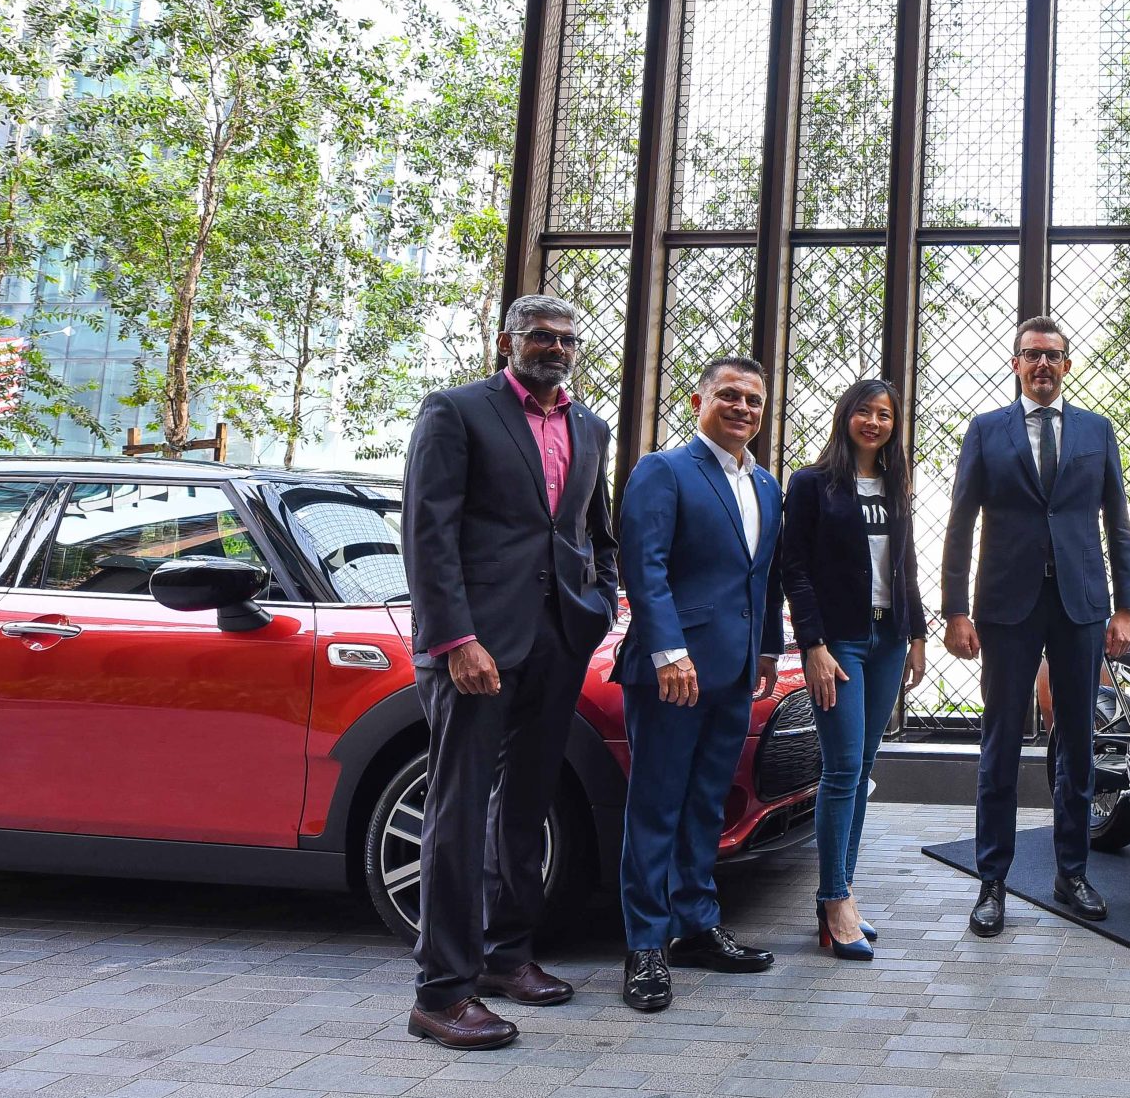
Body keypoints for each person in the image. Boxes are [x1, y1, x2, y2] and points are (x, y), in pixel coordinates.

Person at [398, 293, 617, 1050]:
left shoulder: (591, 427)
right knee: (458, 813)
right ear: (507, 341)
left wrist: (599, 604)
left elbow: (593, 530)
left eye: (568, 339)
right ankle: (440, 993)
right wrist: (456, 639)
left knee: (526, 803)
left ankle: (505, 955)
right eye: (542, 336)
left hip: (558, 641)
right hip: (476, 649)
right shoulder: (456, 411)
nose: (556, 348)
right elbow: (427, 532)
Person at [943, 315, 1130, 937]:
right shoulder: (986, 430)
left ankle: (1071, 873)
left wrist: (1126, 608)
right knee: (1001, 743)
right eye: (1032, 355)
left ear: (1067, 365)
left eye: (1053, 355)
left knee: (1078, 743)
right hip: (1006, 607)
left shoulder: (1096, 430)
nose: (1043, 365)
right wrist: (954, 610)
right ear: (1016, 364)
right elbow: (960, 523)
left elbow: (1118, 523)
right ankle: (992, 881)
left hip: (1080, 605)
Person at [610, 356, 785, 1013]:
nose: (743, 408)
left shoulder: (765, 484)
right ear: (698, 401)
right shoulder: (664, 470)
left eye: (754, 400)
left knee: (708, 804)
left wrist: (766, 648)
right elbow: (644, 565)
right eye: (729, 395)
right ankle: (645, 945)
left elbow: (761, 575)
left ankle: (695, 924)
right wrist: (669, 651)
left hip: (734, 671)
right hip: (671, 674)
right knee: (656, 805)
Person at [778, 379, 928, 960]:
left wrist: (916, 635)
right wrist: (812, 644)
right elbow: (794, 569)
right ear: (846, 417)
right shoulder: (812, 484)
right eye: (864, 411)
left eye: (884, 415)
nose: (874, 422)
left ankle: (841, 892)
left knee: (862, 767)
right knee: (841, 770)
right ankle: (834, 898)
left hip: (888, 638)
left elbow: (905, 564)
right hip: (839, 641)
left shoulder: (895, 485)